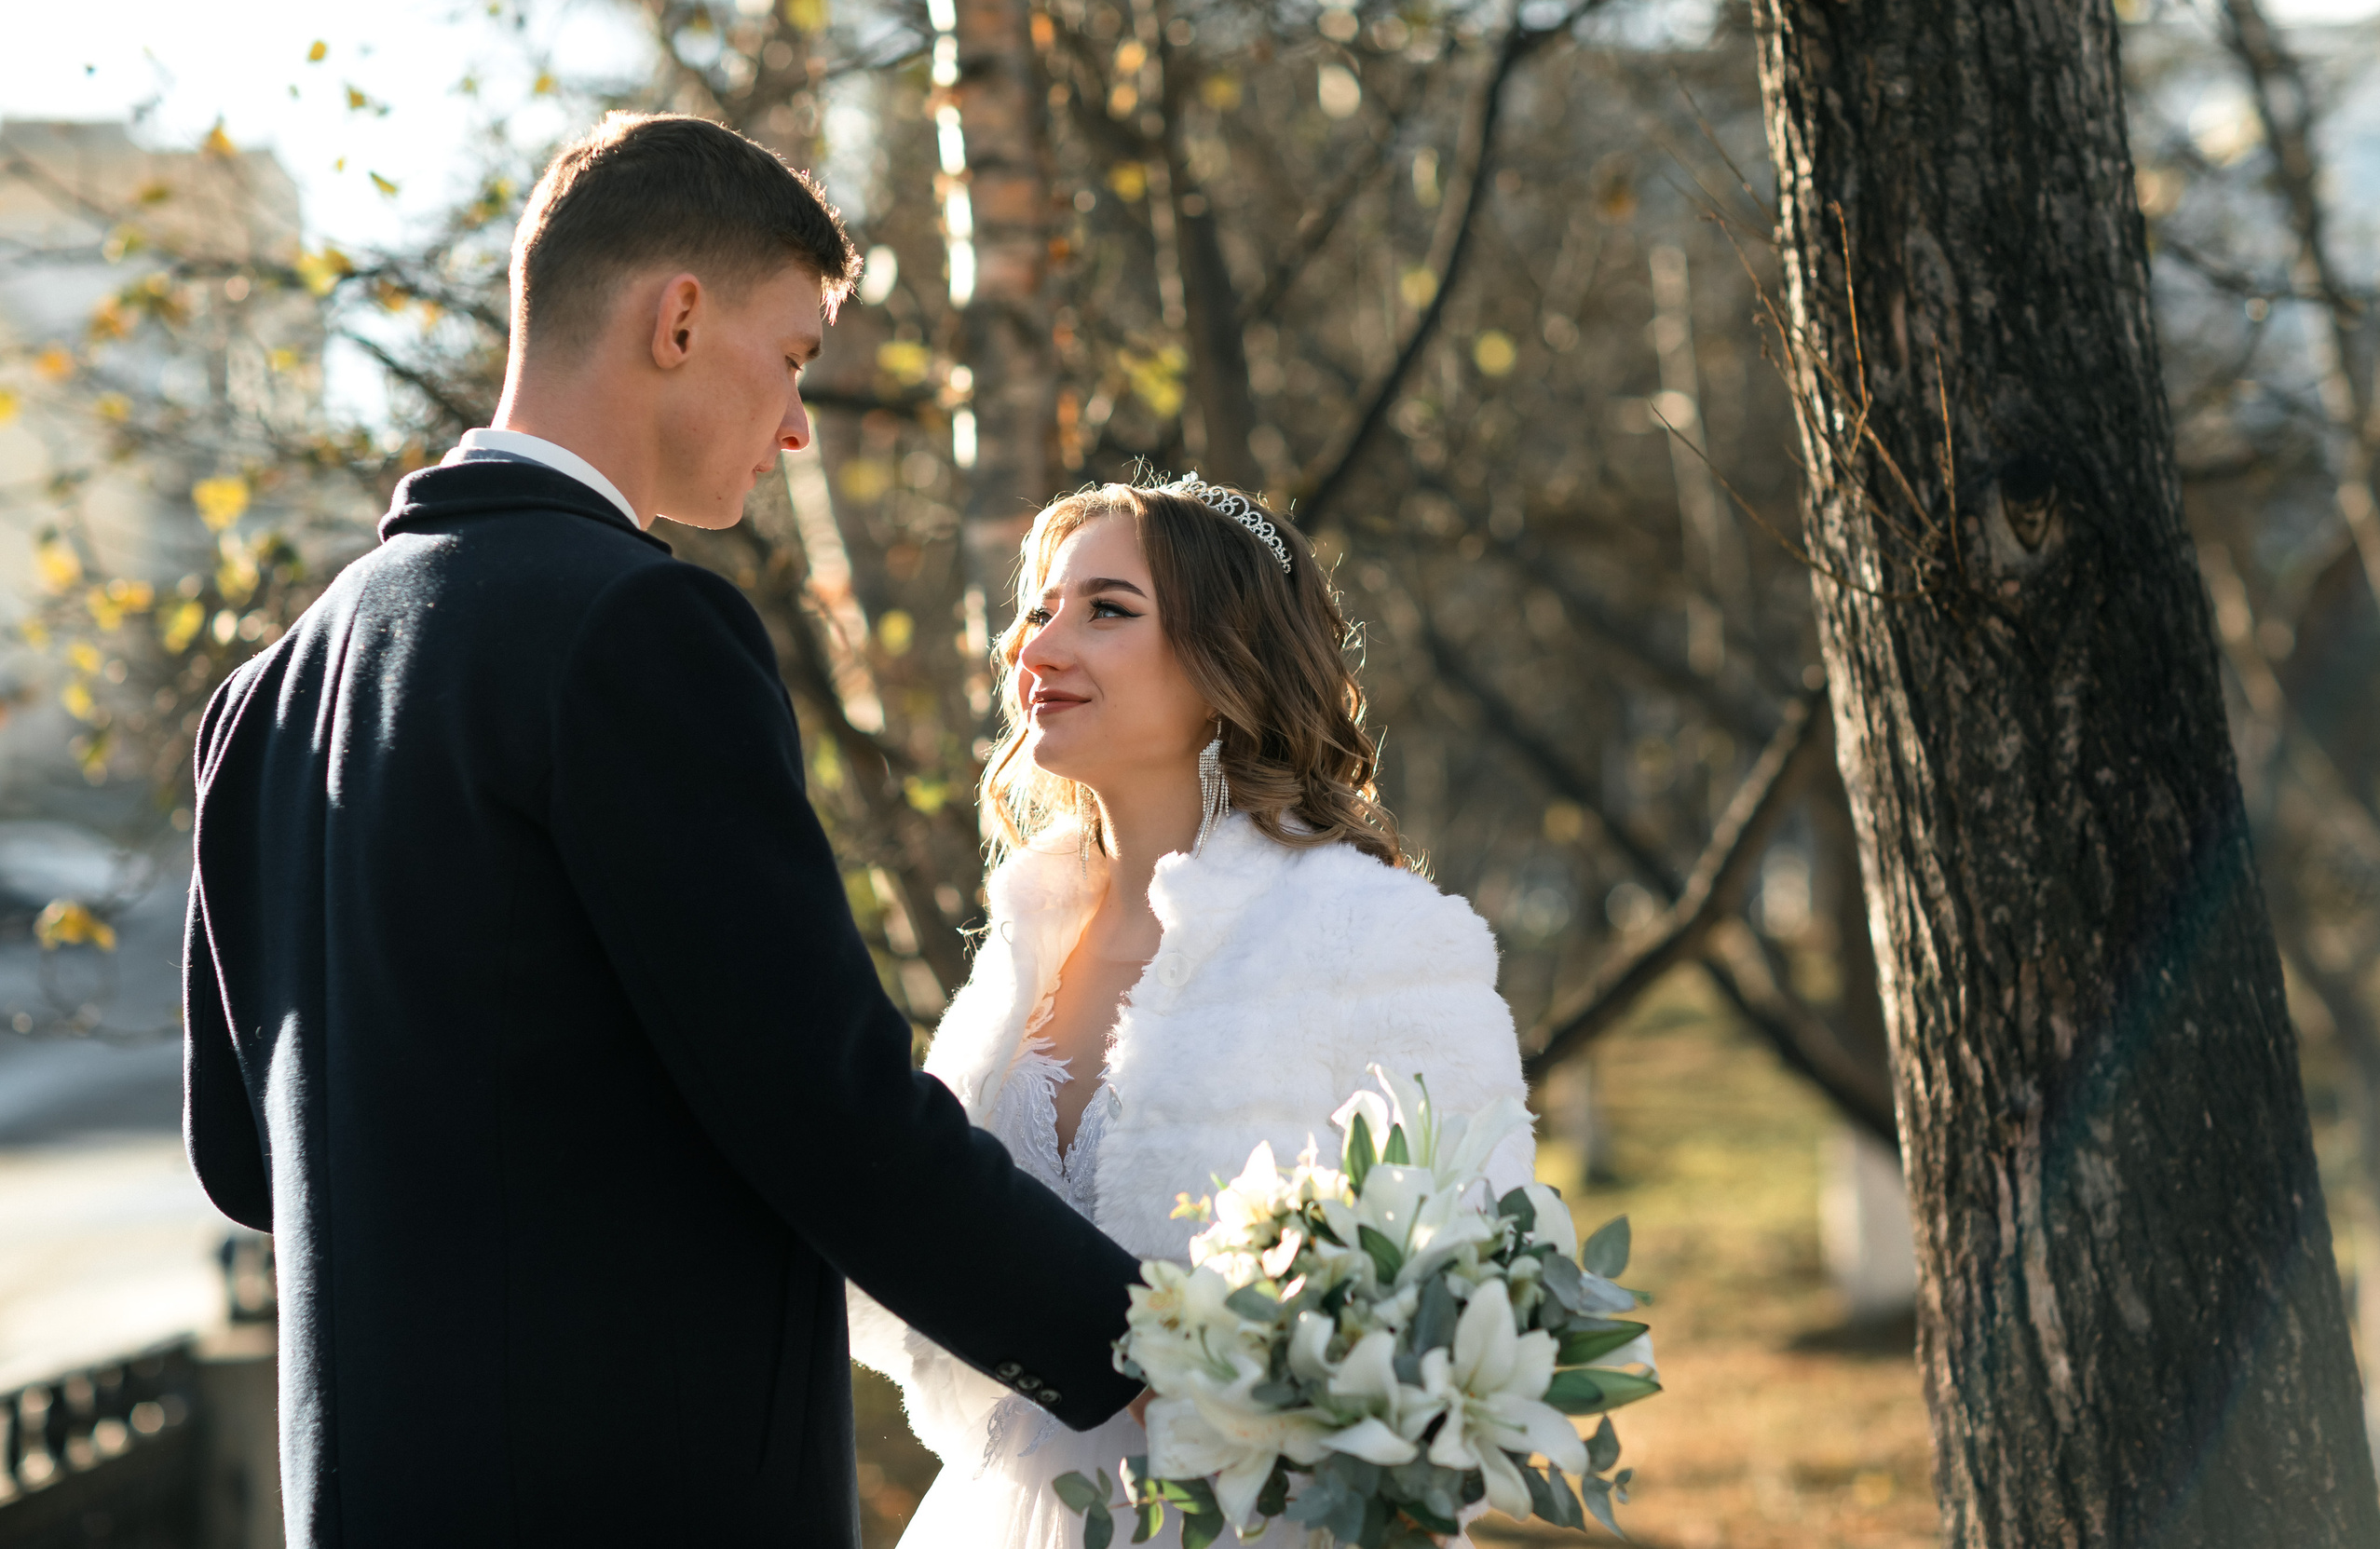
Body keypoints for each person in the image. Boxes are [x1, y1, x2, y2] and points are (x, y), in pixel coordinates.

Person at [181, 112, 1147, 1547]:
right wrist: (1160, 1348)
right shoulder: (635, 627)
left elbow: (244, 1158)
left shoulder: (265, 694)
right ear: (680, 319)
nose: (800, 421)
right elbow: (825, 1107)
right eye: (797, 355)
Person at [849, 479, 1537, 1547]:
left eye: (1106, 610)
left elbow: (1479, 1302)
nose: (1040, 647)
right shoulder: (1025, 944)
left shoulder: (1375, 937)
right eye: (1039, 609)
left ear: (1228, 663)